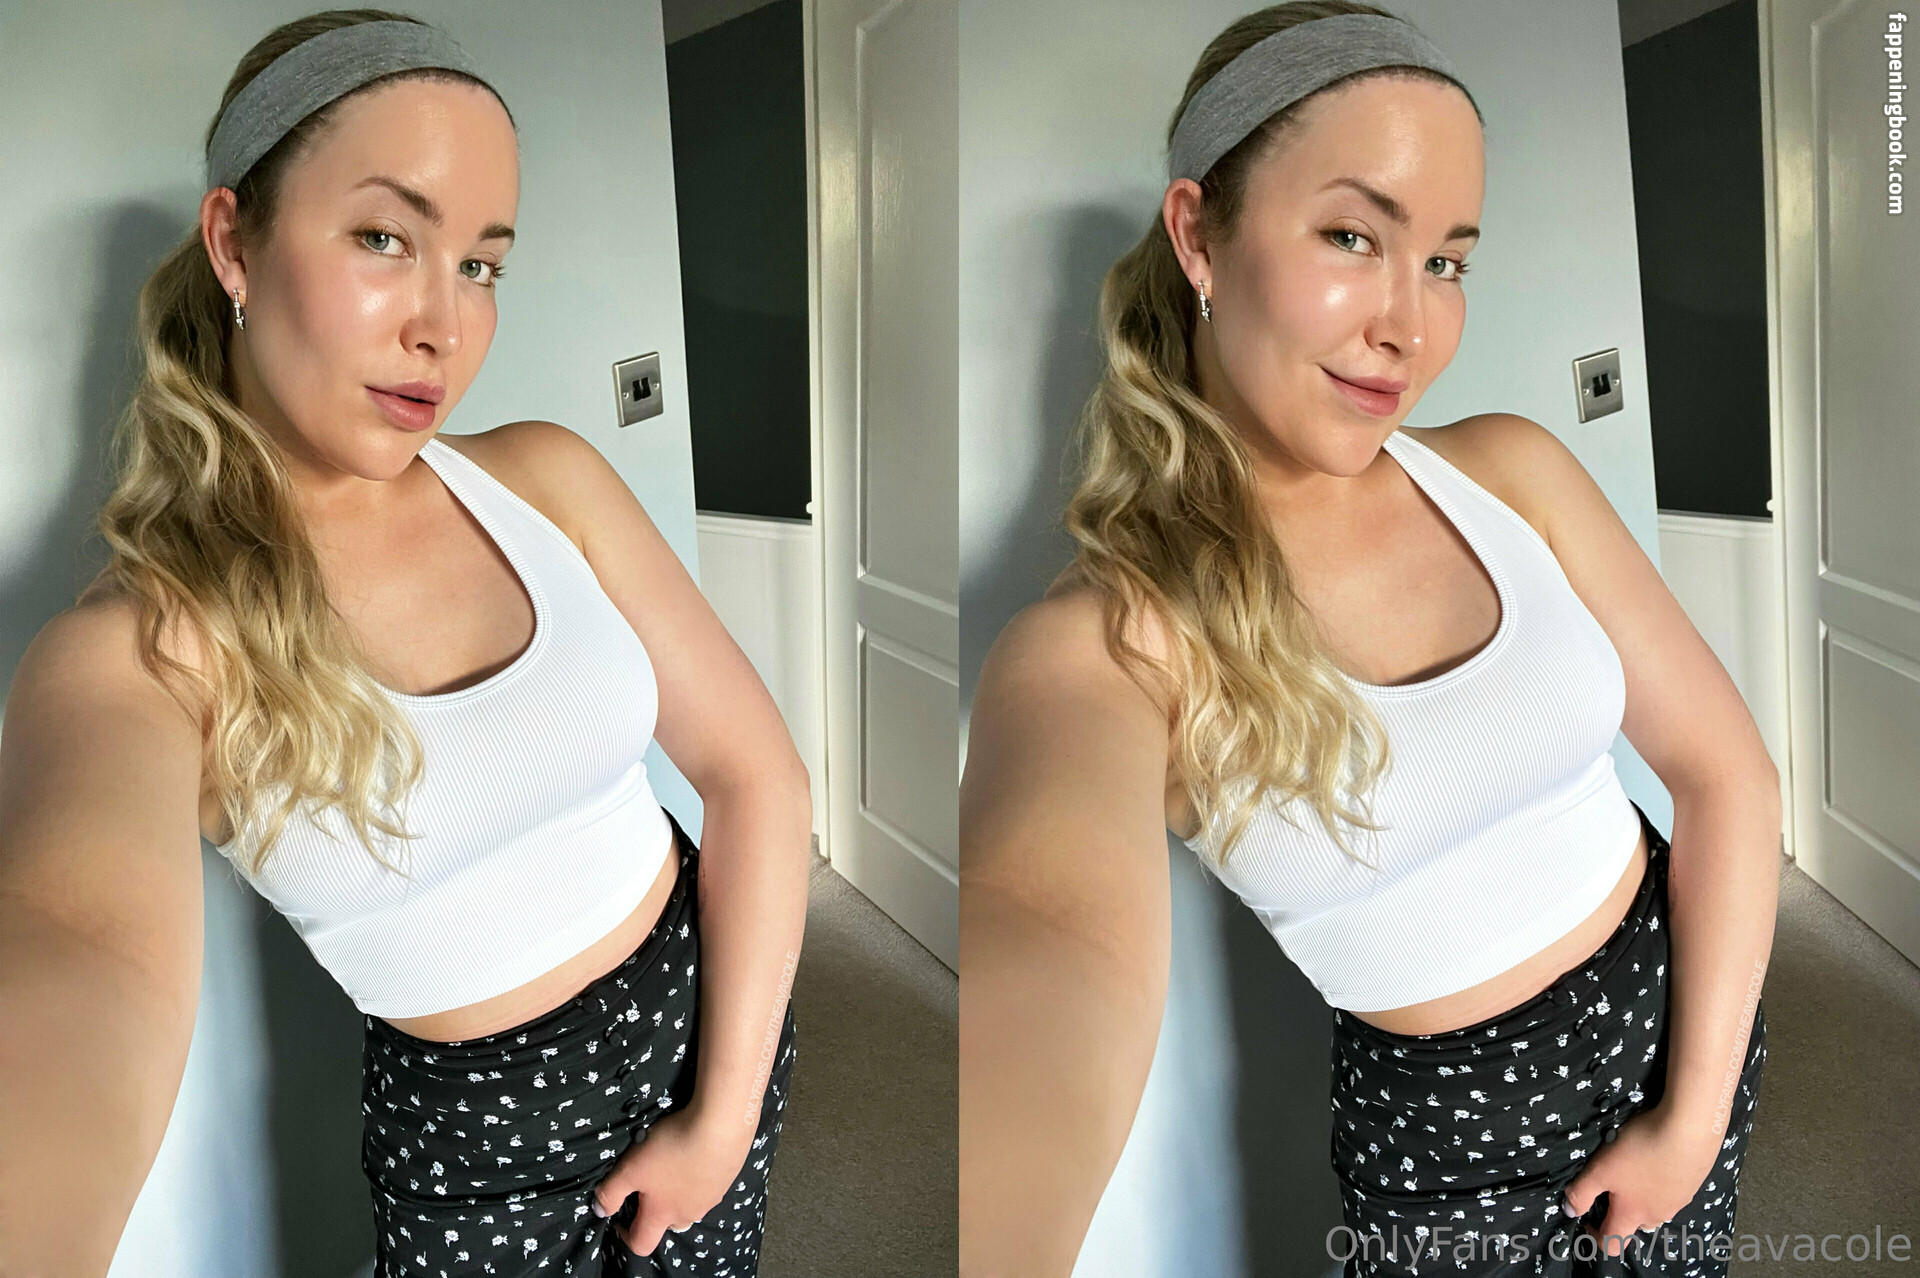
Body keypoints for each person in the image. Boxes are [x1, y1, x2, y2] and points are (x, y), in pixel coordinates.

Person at [959, 5, 1780, 1276]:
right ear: (1199, 235)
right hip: (1450, 1169)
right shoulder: (1106, 645)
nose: (1411, 325)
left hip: (1696, 1038)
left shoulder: (1512, 474)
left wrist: (1694, 1116)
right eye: (1354, 236)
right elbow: (1045, 941)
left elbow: (1727, 776)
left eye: (1447, 262)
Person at [0, 12, 809, 1276]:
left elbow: (758, 777)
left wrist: (722, 1117)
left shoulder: (547, 480)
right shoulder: (139, 652)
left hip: (720, 1040)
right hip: (474, 1162)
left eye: (482, 265)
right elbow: (78, 952)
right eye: (385, 237)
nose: (445, 326)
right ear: (234, 243)